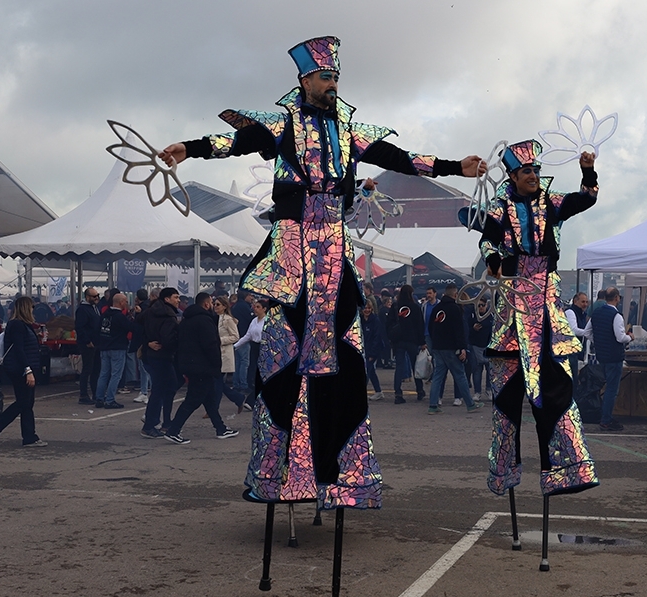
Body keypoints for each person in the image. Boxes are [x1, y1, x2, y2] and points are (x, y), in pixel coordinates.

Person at [158, 35, 486, 509]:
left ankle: (337, 468)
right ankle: (280, 468)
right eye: (324, 76)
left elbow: (402, 158)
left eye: (335, 76)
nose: (332, 83)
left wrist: (457, 165)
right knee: (286, 357)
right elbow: (235, 141)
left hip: (333, 244)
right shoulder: (283, 123)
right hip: (293, 243)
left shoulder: (351, 129)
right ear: (304, 80)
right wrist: (189, 148)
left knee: (341, 358)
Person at [478, 140, 598, 498]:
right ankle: (504, 470)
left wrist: (588, 170)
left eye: (536, 170)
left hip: (545, 307)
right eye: (527, 171)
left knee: (556, 388)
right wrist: (496, 262)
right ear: (513, 175)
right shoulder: (499, 208)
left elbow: (587, 198)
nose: (533, 176)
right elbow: (486, 239)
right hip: (513, 310)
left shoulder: (552, 203)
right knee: (507, 399)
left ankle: (567, 467)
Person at [164, 293, 238, 443]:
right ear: (206, 304)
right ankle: (173, 430)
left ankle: (221, 428)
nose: (212, 305)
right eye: (211, 302)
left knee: (209, 399)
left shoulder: (186, 320)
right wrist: (217, 365)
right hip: (202, 366)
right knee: (193, 399)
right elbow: (211, 345)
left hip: (190, 364)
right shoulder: (205, 321)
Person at [0, 297, 46, 447]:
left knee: (26, 402)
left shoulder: (22, 325)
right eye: (31, 308)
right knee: (24, 402)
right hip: (20, 369)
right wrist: (28, 370)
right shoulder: (18, 325)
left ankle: (29, 436)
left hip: (20, 368)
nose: (33, 310)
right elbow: (19, 349)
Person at [584, 287, 632, 431]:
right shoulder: (616, 315)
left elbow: (587, 332)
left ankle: (605, 416)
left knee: (607, 387)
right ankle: (606, 419)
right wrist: (631, 337)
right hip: (614, 356)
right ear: (617, 298)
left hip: (602, 356)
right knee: (612, 389)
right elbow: (620, 337)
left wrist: (598, 341)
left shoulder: (597, 313)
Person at [427, 283, 478, 414]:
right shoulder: (455, 309)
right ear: (455, 294)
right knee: (460, 375)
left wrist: (435, 343)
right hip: (451, 348)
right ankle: (470, 404)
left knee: (438, 376)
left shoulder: (437, 308)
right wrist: (462, 348)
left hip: (438, 347)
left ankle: (433, 405)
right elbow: (459, 330)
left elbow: (431, 328)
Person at [139, 288, 182, 439]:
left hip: (152, 355)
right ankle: (150, 424)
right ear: (167, 299)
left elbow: (138, 328)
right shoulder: (169, 316)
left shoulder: (150, 311)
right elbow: (168, 339)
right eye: (175, 297)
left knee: (167, 387)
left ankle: (162, 421)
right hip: (162, 356)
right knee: (161, 389)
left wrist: (147, 342)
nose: (178, 300)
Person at [388, 284, 426, 404]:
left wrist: (391, 338)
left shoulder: (395, 306)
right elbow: (420, 325)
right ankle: (419, 390)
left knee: (399, 367)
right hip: (412, 340)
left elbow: (388, 323)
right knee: (416, 366)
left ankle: (398, 393)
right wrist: (422, 342)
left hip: (398, 340)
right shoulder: (415, 307)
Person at [94, 293, 130, 409]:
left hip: (104, 347)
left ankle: (99, 398)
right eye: (126, 301)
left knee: (103, 374)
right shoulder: (120, 317)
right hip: (117, 348)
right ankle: (110, 400)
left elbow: (98, 329)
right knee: (115, 375)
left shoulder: (105, 315)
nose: (126, 304)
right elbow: (131, 328)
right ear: (121, 303)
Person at [212, 296, 248, 412]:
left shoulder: (228, 319)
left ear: (224, 306)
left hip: (224, 353)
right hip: (216, 353)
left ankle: (214, 408)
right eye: (214, 304)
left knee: (217, 382)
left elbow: (235, 336)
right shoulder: (216, 318)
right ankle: (237, 398)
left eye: (218, 304)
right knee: (217, 382)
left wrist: (221, 340)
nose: (215, 307)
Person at [235, 298, 268, 408]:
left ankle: (251, 400)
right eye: (255, 306)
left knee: (262, 375)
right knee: (255, 373)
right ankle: (255, 400)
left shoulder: (268, 321)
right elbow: (248, 336)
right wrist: (235, 346)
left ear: (264, 309)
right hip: (254, 348)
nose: (255, 309)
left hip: (264, 348)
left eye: (258, 307)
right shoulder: (254, 321)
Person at [75, 288, 102, 405]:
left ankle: (96, 393)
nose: (96, 298)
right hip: (87, 343)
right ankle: (83, 394)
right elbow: (79, 327)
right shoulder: (82, 309)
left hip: (96, 342)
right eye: (94, 296)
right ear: (87, 297)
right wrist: (87, 341)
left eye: (97, 296)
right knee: (87, 369)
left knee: (96, 369)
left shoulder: (95, 308)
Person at [361, 302, 387, 401]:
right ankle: (378, 391)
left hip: (372, 350)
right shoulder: (361, 320)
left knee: (367, 371)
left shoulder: (375, 320)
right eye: (365, 308)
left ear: (371, 309)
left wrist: (373, 353)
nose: (366, 310)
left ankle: (361, 393)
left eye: (368, 308)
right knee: (371, 371)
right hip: (364, 350)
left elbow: (377, 337)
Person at [469, 297, 493, 399]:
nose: (481, 307)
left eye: (482, 305)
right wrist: (473, 328)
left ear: (486, 305)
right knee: (477, 370)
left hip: (488, 346)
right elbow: (468, 329)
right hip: (476, 346)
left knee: (489, 370)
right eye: (478, 305)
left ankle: (488, 390)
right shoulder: (472, 316)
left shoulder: (490, 316)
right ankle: (477, 392)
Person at [230, 290, 254, 390]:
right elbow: (250, 319)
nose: (252, 298)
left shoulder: (235, 306)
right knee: (244, 362)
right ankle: (243, 384)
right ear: (246, 296)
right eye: (250, 295)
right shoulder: (244, 307)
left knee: (238, 362)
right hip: (243, 336)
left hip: (236, 336)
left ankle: (236, 384)